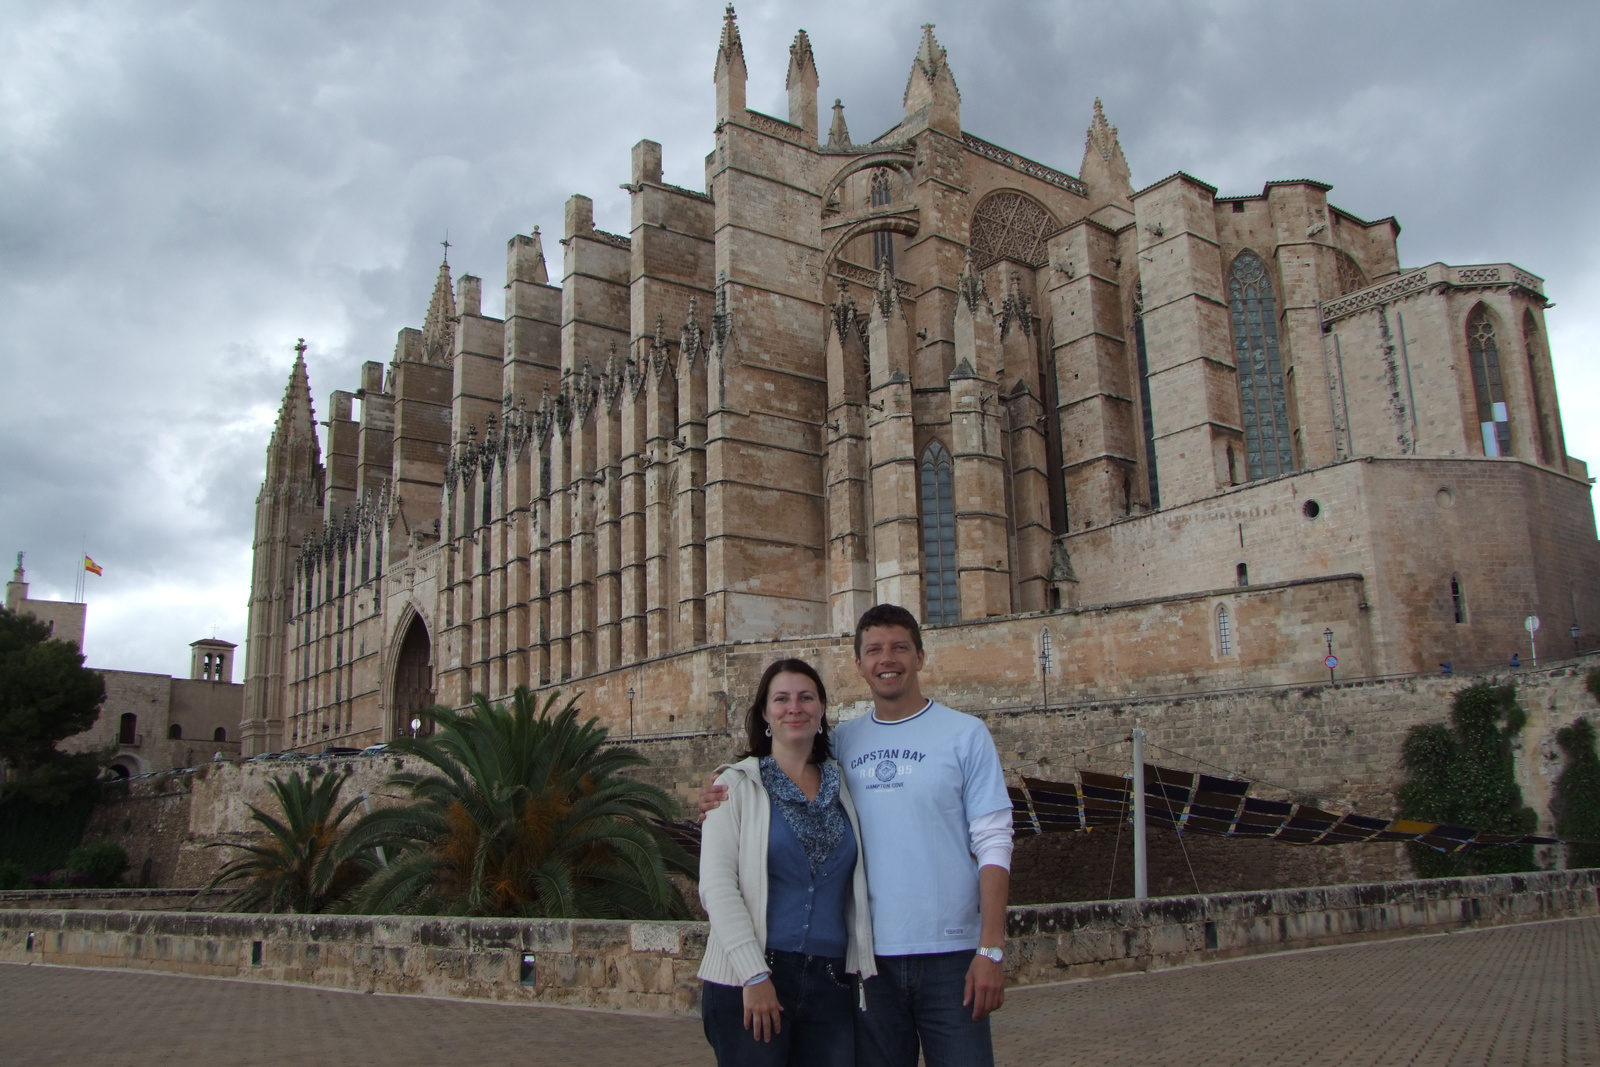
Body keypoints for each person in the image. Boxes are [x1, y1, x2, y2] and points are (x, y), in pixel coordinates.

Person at [704, 604, 1013, 1067]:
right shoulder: (841, 745)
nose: (887, 659)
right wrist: (718, 791)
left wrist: (991, 946)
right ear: (859, 664)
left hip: (948, 957)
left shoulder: (964, 735)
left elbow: (994, 840)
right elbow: (723, 872)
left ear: (921, 656)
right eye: (874, 650)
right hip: (869, 965)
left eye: (899, 648)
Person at [698, 657, 877, 1067]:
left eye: (805, 698)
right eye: (781, 699)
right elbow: (717, 886)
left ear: (822, 709)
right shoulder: (735, 785)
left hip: (832, 982)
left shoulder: (846, 785)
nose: (794, 708)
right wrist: (754, 975)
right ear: (764, 713)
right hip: (752, 978)